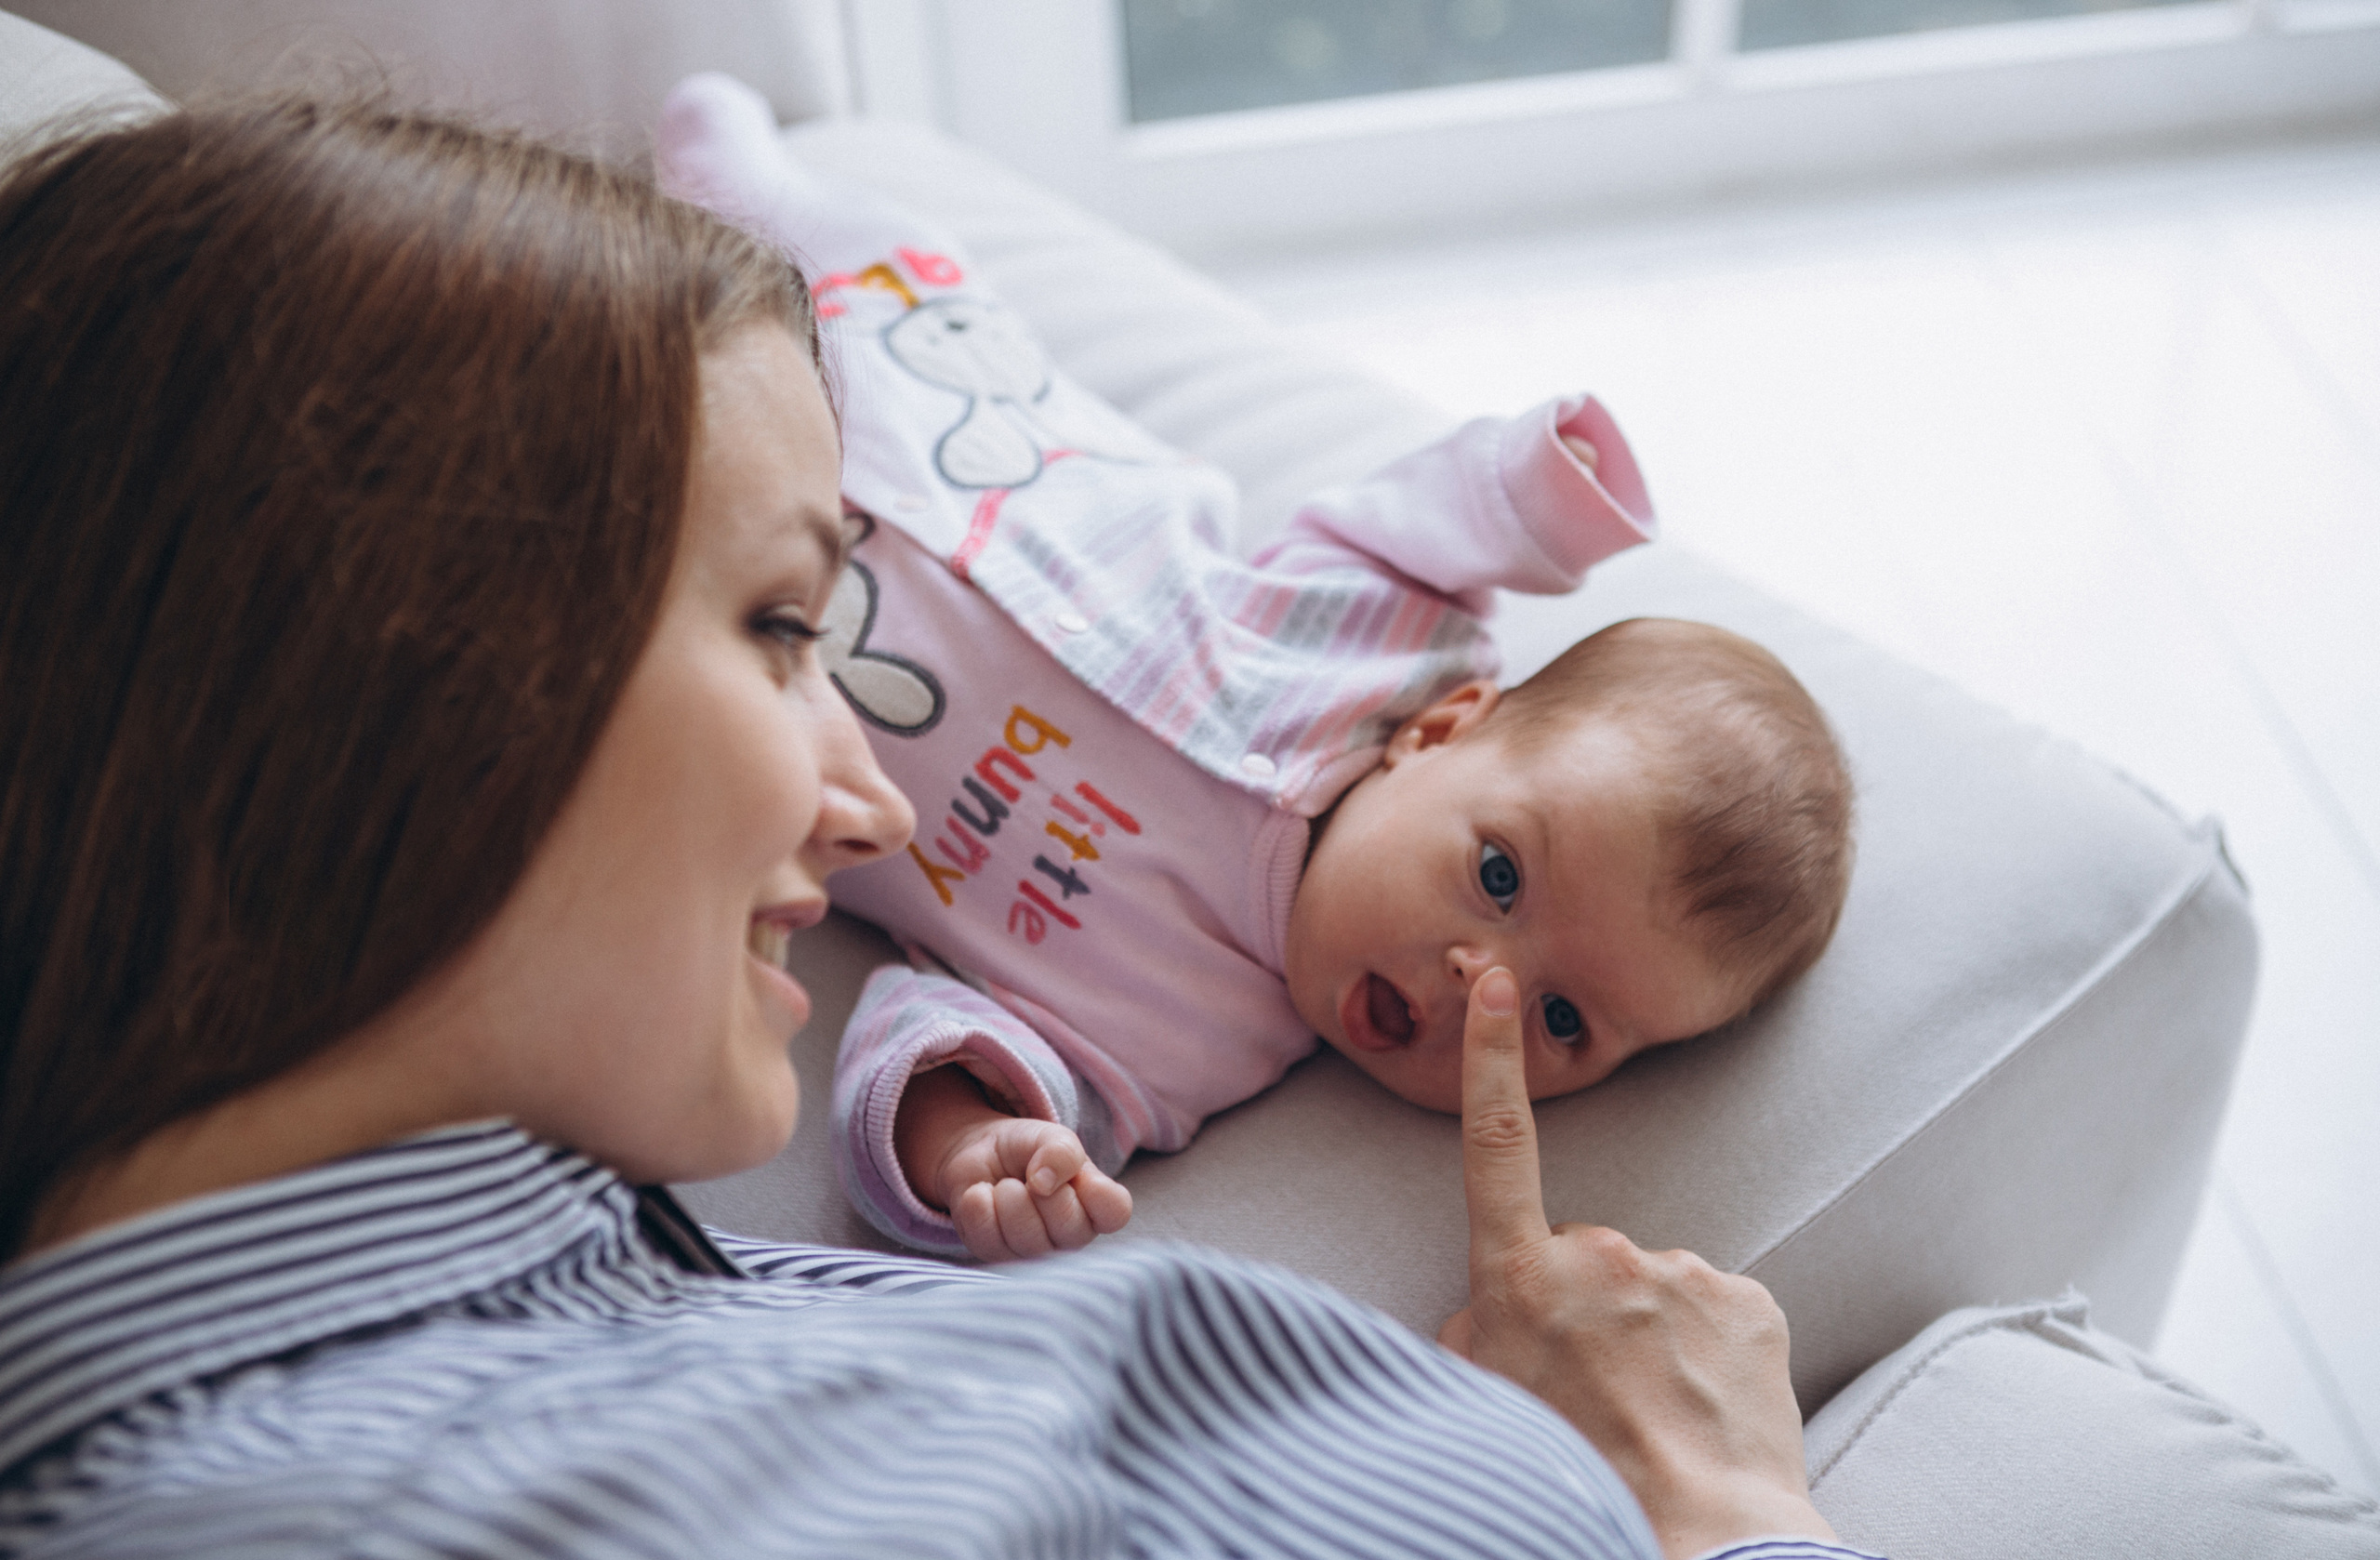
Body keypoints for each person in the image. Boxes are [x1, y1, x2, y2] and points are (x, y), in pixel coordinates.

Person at [0, 96, 1898, 1560]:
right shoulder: (383, 1518)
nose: (874, 800)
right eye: (774, 628)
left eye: (1572, 1021)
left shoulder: (517, 1278)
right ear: (403, 657)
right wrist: (1724, 1518)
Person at [656, 75, 1857, 1263]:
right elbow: (1414, 513)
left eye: (1563, 1020)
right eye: (1498, 873)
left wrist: (971, 1145)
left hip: (736, 619)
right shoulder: (1388, 643)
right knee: (877, 293)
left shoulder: (1180, 1043)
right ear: (1444, 731)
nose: (1477, 987)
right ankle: (753, 190)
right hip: (968, 419)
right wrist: (1546, 499)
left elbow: (930, 1027)